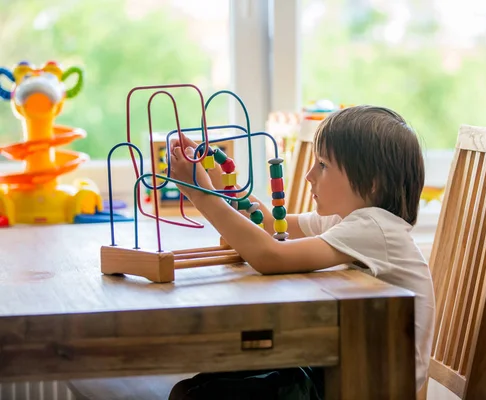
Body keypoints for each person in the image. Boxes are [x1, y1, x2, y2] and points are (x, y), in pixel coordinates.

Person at [168, 105, 435, 399]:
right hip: (340, 368)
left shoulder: (375, 227)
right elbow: (270, 225)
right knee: (193, 388)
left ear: (372, 183)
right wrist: (217, 182)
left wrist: (200, 195)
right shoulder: (345, 219)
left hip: (368, 383)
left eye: (322, 165)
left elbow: (271, 257)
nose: (309, 175)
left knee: (196, 395)